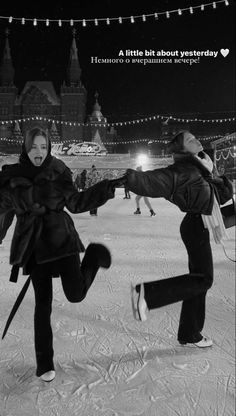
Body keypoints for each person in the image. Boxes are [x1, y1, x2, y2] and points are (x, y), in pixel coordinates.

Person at [0, 127, 125, 382]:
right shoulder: (12, 177)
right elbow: (4, 210)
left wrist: (106, 188)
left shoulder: (58, 171)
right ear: (25, 147)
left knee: (76, 294)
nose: (39, 152)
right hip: (34, 246)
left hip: (61, 239)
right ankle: (44, 363)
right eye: (34, 147)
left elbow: (76, 203)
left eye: (43, 147)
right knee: (42, 303)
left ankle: (93, 255)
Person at [127, 130, 232, 348]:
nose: (197, 140)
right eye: (191, 140)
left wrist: (215, 176)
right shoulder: (183, 170)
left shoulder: (203, 167)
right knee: (204, 279)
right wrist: (130, 179)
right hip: (195, 225)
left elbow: (221, 198)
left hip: (201, 223)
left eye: (196, 137)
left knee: (197, 280)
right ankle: (146, 295)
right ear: (183, 149)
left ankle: (189, 333)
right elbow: (157, 180)